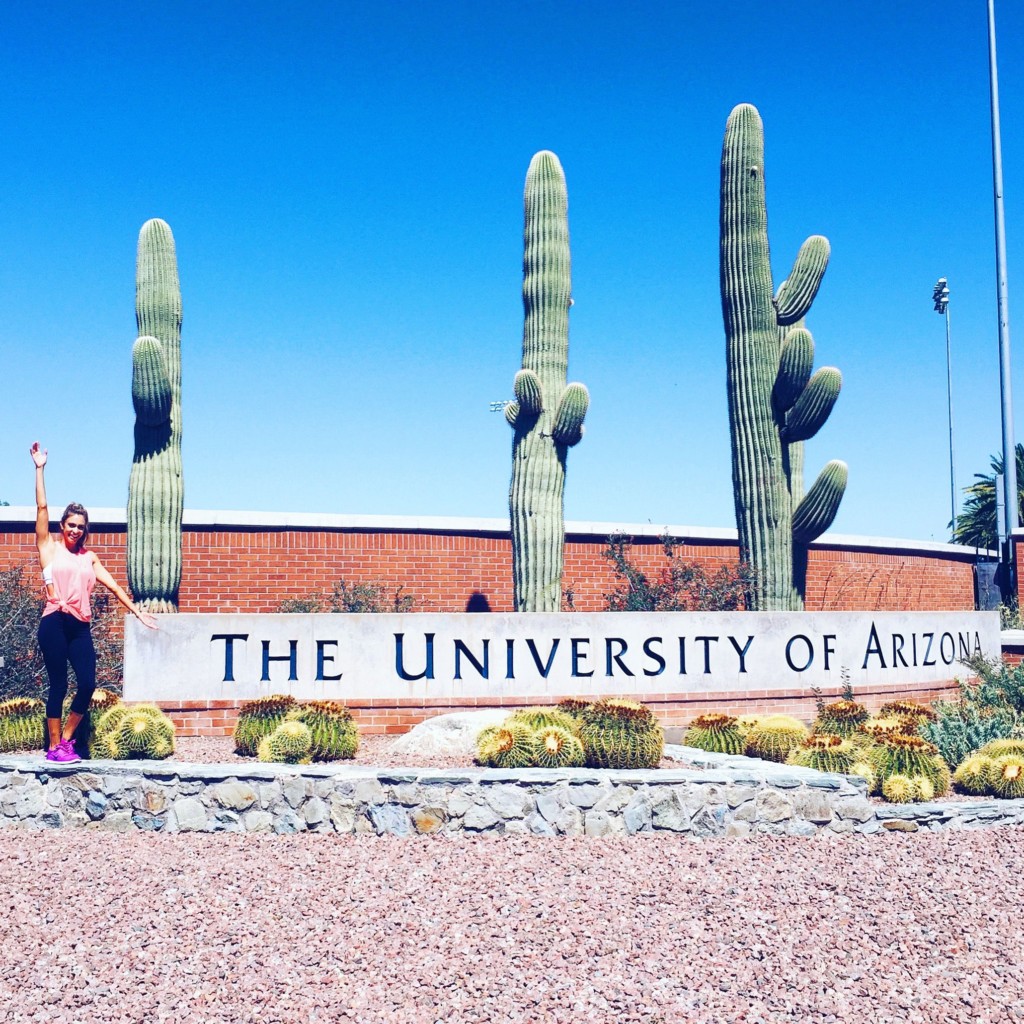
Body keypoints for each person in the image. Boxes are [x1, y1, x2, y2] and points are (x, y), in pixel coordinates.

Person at [30, 441, 158, 763]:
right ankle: (54, 747)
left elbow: (114, 586)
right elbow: (42, 509)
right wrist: (40, 469)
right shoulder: (49, 548)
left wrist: (137, 612)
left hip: (80, 627)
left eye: (80, 527)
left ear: (85, 531)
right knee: (58, 684)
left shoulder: (90, 558)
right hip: (54, 622)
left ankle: (66, 741)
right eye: (71, 524)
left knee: (87, 683)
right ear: (63, 526)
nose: (75, 530)